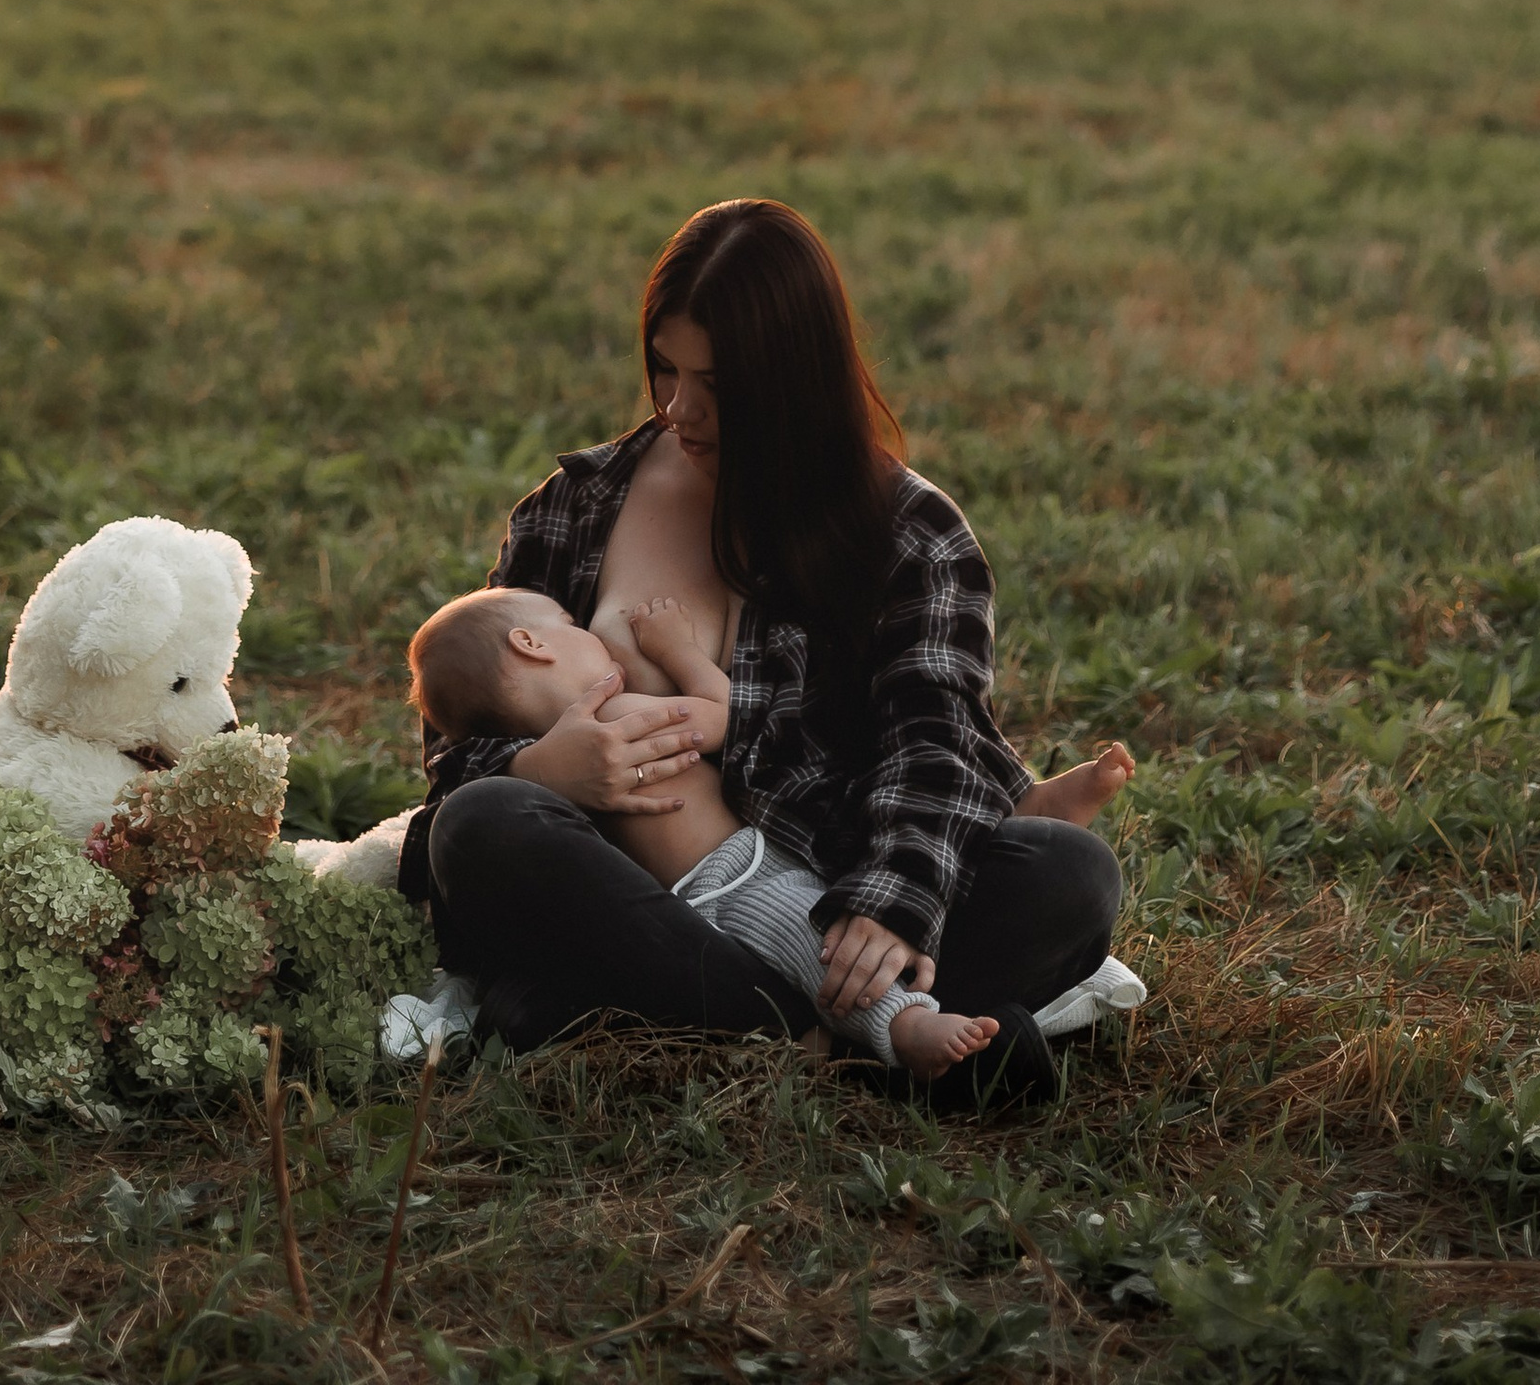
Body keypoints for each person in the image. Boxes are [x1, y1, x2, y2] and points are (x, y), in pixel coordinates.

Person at [403, 196, 1133, 1105]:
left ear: (795, 381)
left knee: (1070, 875)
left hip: (823, 891)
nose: (678, 409)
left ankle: (644, 1020)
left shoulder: (910, 532)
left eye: (717, 387)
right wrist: (547, 770)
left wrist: (892, 901)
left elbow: (934, 745)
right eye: (665, 370)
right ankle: (846, 1039)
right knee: (485, 826)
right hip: (617, 896)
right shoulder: (576, 505)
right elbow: (452, 758)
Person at [408, 581, 1001, 1079]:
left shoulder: (537, 756)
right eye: (570, 622)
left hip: (678, 920)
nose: (589, 631)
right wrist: (680, 651)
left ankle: (803, 1041)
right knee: (816, 939)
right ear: (532, 644)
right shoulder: (610, 717)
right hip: (735, 876)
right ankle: (905, 1025)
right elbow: (726, 715)